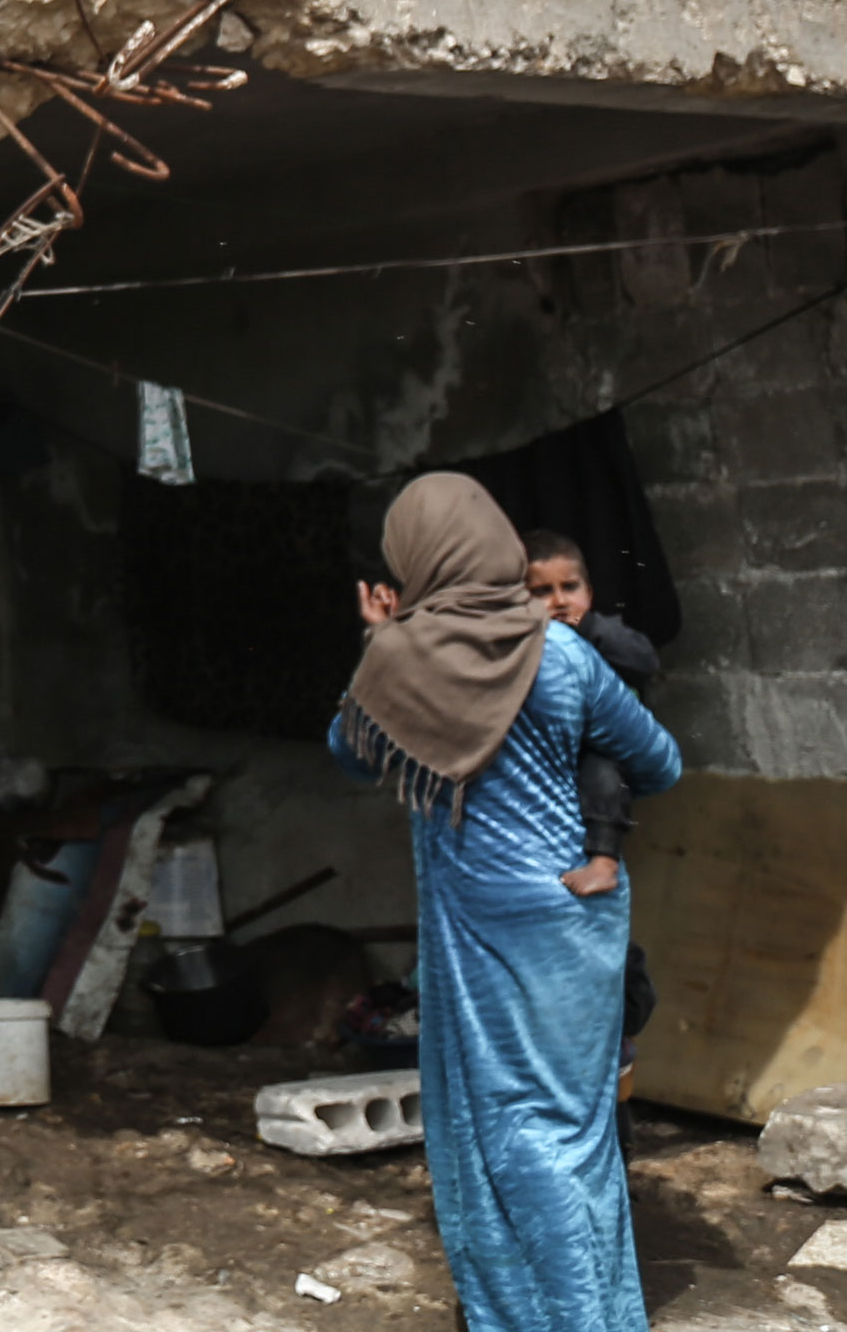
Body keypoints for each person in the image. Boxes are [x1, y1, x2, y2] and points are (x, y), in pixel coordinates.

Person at [332, 472, 678, 1332]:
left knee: (505, 1134)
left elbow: (348, 749)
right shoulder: (562, 652)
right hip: (579, 917)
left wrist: (384, 638)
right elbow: (661, 762)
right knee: (576, 1133)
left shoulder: (397, 660)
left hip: (481, 929)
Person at [522, 529, 663, 899]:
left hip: (606, 751)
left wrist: (589, 629)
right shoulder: (529, 648)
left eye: (570, 587)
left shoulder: (605, 631)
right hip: (555, 758)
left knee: (599, 768)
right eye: (541, 592)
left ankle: (604, 862)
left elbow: (646, 660)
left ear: (589, 590)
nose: (559, 601)